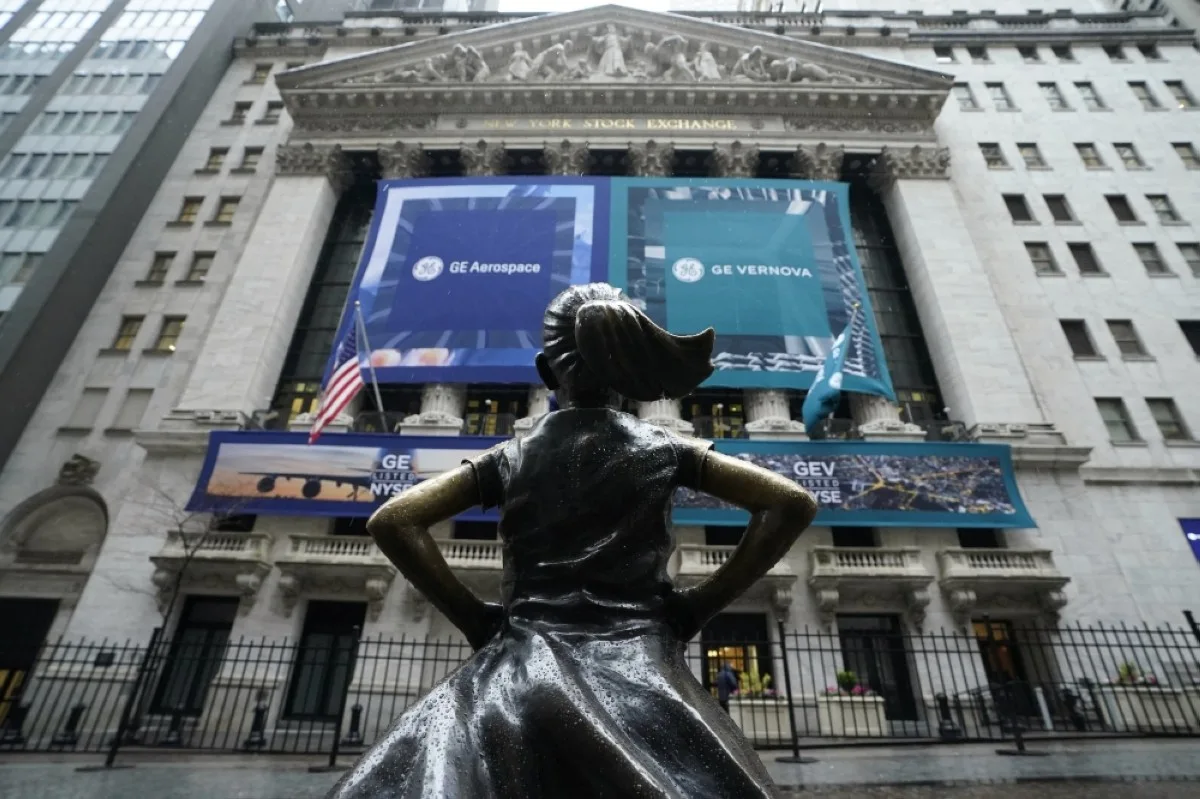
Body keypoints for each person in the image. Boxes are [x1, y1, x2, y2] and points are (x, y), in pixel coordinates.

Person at [329, 283, 817, 799]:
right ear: (630, 379)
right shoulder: (668, 450)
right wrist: (700, 606)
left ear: (546, 372)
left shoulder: (510, 457)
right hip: (642, 666)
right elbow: (790, 503)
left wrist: (472, 616)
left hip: (518, 670)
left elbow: (394, 520)